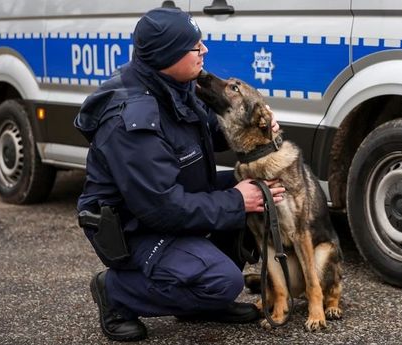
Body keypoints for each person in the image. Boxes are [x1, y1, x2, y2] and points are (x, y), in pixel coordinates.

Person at [74, 7, 285, 342]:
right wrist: (234, 202)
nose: (204, 51)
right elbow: (161, 209)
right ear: (167, 54)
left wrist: (257, 124)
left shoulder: (176, 83)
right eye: (194, 47)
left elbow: (209, 134)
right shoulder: (132, 119)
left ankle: (199, 302)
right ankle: (116, 292)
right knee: (225, 280)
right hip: (134, 227)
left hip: (173, 198)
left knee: (260, 188)